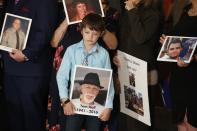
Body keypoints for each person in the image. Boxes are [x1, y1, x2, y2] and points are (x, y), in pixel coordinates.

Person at [2, 0, 58, 131]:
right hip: (10, 68)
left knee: (31, 119)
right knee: (14, 118)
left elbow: (45, 31)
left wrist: (27, 54)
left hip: (32, 70)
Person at [56, 13, 114, 131]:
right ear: (81, 31)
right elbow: (61, 76)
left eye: (95, 34)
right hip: (73, 105)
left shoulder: (103, 54)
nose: (90, 37)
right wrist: (65, 100)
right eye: (87, 32)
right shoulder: (71, 50)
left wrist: (109, 107)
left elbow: (109, 82)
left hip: (96, 108)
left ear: (101, 34)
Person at [113, 0, 160, 130]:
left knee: (139, 118)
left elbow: (140, 37)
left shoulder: (153, 14)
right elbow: (123, 39)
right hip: (126, 69)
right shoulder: (127, 12)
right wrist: (117, 56)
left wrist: (132, 10)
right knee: (126, 115)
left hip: (143, 72)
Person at [160, 0, 197, 131]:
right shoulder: (185, 9)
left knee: (193, 122)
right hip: (178, 74)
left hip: (194, 76)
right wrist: (169, 42)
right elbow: (182, 39)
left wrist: (193, 58)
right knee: (180, 120)